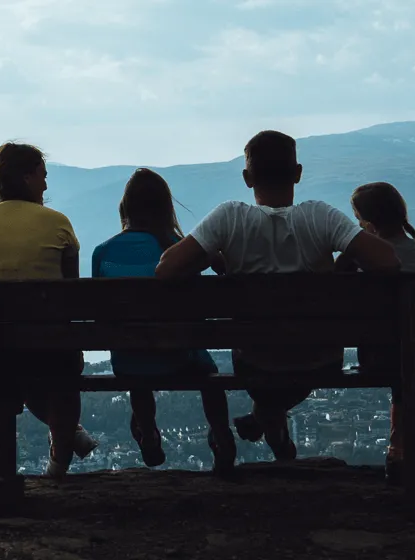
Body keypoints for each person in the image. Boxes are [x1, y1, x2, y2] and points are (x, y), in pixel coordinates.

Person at [155, 130, 401, 462]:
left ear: (247, 178)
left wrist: (212, 255)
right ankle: (270, 425)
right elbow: (387, 261)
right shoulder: (320, 216)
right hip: (320, 359)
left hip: (254, 361)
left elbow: (166, 269)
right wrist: (343, 258)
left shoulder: (229, 218)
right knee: (286, 364)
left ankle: (268, 422)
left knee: (268, 370)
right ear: (297, 173)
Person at [0, 141, 98, 478]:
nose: (46, 185)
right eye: (42, 176)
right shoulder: (57, 223)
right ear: (26, 178)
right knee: (58, 365)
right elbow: (70, 294)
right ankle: (59, 458)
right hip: (51, 353)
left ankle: (8, 472)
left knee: (21, 363)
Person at [90, 168, 236, 473]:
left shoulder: (102, 253)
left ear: (125, 208)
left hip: (128, 361)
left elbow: (102, 316)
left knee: (136, 355)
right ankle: (221, 433)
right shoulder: (177, 249)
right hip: (177, 357)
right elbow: (222, 269)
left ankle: (148, 430)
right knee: (208, 371)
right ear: (165, 208)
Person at [337, 181, 415, 483]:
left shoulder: (358, 258)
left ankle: (399, 451)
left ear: (366, 222)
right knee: (411, 358)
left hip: (377, 355)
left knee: (402, 356)